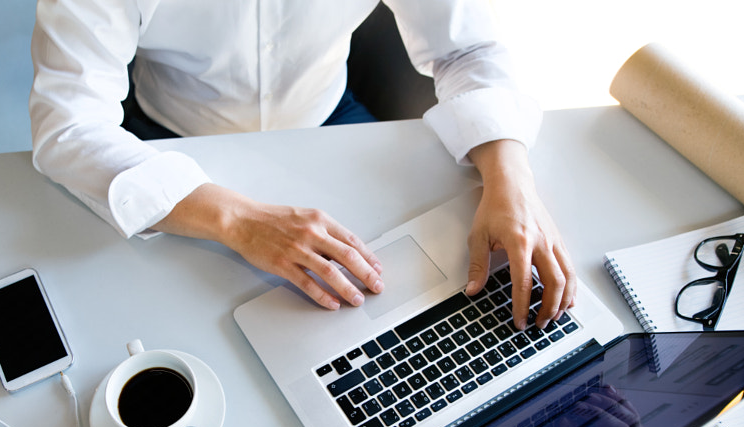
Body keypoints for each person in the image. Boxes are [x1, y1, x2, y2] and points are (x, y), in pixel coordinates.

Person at [29, 0, 576, 330]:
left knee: (400, 304)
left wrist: (511, 175)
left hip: (330, 118)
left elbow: (467, 49)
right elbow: (69, 125)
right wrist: (239, 220)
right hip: (172, 146)